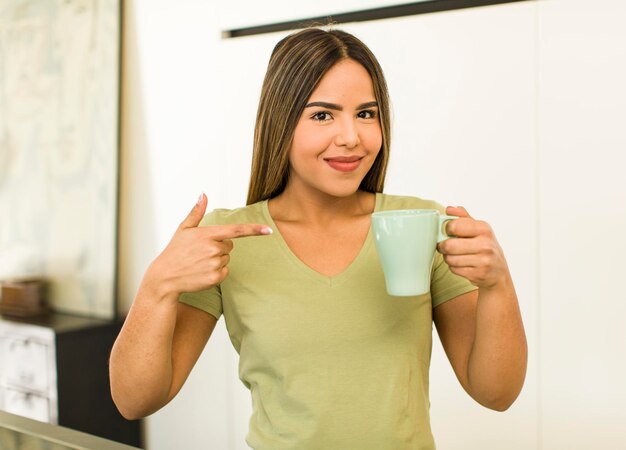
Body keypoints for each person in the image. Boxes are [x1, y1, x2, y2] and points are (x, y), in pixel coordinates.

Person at [109, 27, 527, 450]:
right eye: (323, 115)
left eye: (366, 114)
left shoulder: (421, 224)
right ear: (281, 121)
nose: (351, 136)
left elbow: (496, 393)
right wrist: (157, 285)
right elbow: (135, 400)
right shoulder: (229, 239)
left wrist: (498, 284)